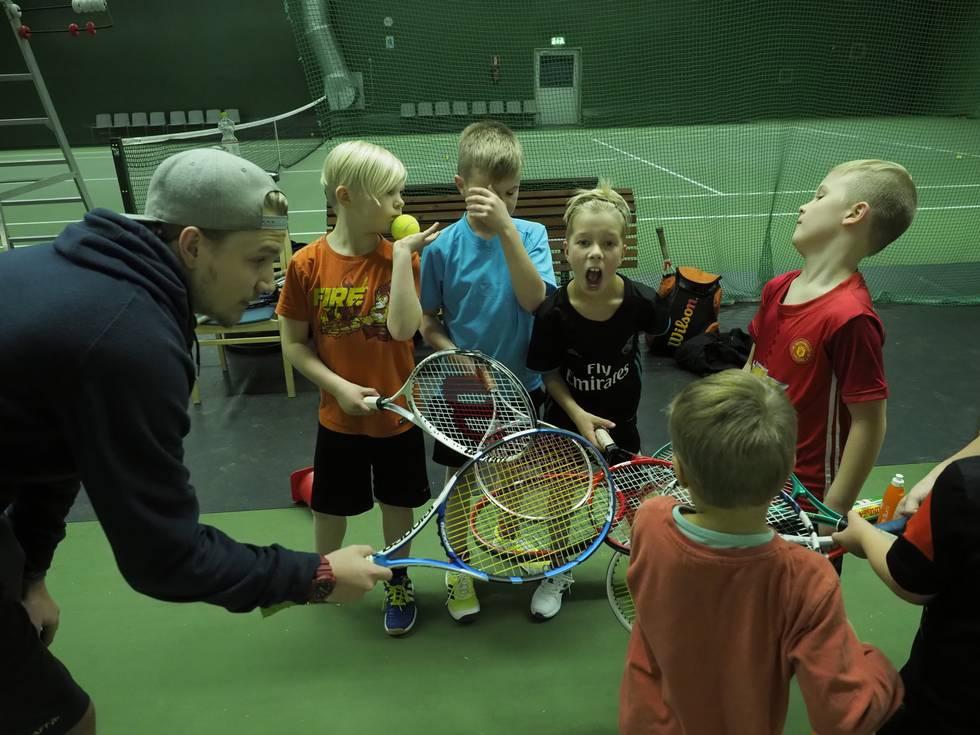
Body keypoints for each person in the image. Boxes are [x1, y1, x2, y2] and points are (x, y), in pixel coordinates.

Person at [0, 148, 392, 735]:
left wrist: (29, 575)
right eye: (258, 259)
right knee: (68, 721)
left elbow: (55, 446)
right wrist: (315, 574)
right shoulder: (129, 340)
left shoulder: (81, 275)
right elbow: (164, 557)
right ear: (191, 246)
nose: (270, 280)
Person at [620, 369, 903, 735]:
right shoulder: (806, 580)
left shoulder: (650, 519)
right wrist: (871, 662)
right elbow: (847, 716)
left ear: (680, 470)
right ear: (787, 471)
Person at [277, 141, 438, 637]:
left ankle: (397, 580)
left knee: (397, 505)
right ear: (346, 197)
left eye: (400, 192)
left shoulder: (399, 258)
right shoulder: (307, 264)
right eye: (388, 194)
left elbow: (402, 330)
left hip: (397, 416)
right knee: (330, 507)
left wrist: (405, 259)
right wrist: (340, 388)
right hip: (339, 417)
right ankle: (324, 575)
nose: (399, 204)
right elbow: (295, 345)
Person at [419, 120, 556, 622]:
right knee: (459, 483)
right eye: (489, 194)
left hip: (525, 385)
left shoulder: (532, 235)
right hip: (463, 388)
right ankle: (458, 567)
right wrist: (458, 357)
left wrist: (506, 231)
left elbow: (535, 299)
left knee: (520, 474)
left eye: (511, 193)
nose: (502, 202)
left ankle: (505, 538)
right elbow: (427, 323)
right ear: (461, 187)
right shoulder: (441, 250)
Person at [744, 160, 917, 536]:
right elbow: (751, 373)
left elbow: (869, 423)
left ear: (855, 214)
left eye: (820, 196)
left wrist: (832, 510)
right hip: (752, 475)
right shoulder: (777, 287)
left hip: (805, 502)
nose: (803, 206)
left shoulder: (849, 316)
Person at [525, 182, 666, 618]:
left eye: (607, 243)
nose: (595, 254)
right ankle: (557, 568)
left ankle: (647, 572)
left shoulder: (643, 302)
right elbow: (548, 372)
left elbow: (657, 336)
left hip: (622, 421)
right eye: (584, 242)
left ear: (623, 250)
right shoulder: (552, 313)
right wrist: (578, 414)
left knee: (636, 504)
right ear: (566, 249)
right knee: (560, 502)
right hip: (568, 423)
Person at [833, 433, 980, 734]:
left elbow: (911, 580)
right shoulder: (961, 483)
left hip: (951, 695)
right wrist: (934, 479)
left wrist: (862, 534)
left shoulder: (965, 485)